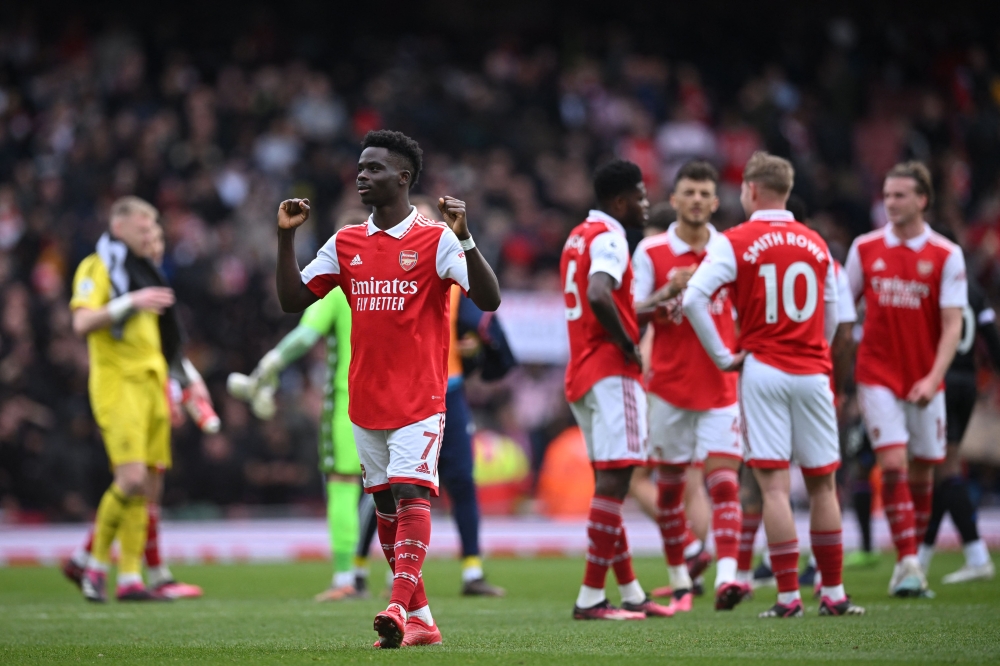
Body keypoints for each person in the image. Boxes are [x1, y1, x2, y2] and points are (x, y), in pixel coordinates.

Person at [274, 130, 501, 648]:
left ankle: (397, 605)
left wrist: (465, 236)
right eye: (359, 167)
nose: (361, 175)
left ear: (402, 178)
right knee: (384, 509)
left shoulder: (436, 239)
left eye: (373, 169)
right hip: (366, 400)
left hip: (421, 397)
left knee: (409, 492)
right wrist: (287, 237)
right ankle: (421, 621)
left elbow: (488, 299)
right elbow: (292, 301)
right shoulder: (345, 242)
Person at [684, 151, 863, 618]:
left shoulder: (735, 241)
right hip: (812, 371)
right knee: (824, 486)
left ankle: (787, 598)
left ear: (752, 190)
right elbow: (831, 315)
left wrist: (725, 356)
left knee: (775, 488)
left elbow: (694, 299)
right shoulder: (816, 242)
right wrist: (815, 349)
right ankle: (836, 593)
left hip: (762, 368)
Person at [352, 197, 512, 598]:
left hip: (446, 390)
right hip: (395, 392)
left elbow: (482, 314)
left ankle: (470, 570)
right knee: (385, 489)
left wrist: (476, 351)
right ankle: (360, 569)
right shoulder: (378, 266)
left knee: (459, 480)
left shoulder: (446, 259)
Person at [228, 209, 369, 602]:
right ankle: (405, 578)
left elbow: (306, 336)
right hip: (401, 399)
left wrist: (268, 365)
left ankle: (346, 576)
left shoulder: (341, 282)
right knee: (395, 489)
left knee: (343, 485)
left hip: (348, 401)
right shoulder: (397, 279)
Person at [63, 223, 210, 599]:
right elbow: (83, 322)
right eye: (149, 237)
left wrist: (186, 382)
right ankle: (100, 563)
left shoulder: (147, 282)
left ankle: (130, 573)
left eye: (160, 237)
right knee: (135, 482)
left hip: (153, 388)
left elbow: (163, 350)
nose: (156, 244)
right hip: (124, 389)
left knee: (148, 486)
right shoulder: (113, 274)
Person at [845, 161, 967, 597]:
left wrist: (933, 377)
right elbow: (843, 309)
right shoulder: (864, 248)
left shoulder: (946, 254)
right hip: (877, 373)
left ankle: (907, 561)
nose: (890, 202)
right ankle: (910, 562)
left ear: (923, 200)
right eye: (887, 194)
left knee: (922, 473)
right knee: (892, 464)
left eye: (899, 195)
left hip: (925, 378)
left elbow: (952, 324)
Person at [631, 160, 748, 612]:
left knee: (724, 484)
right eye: (689, 193)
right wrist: (664, 294)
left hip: (721, 385)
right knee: (670, 487)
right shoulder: (653, 253)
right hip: (669, 387)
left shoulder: (731, 251)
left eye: (705, 193)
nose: (697, 200)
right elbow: (631, 311)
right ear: (675, 200)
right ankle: (681, 581)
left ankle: (727, 579)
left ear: (715, 203)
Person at [560, 159, 673, 621]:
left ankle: (629, 591)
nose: (647, 206)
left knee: (612, 479)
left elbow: (605, 300)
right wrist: (629, 346)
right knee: (617, 479)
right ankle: (590, 598)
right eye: (642, 197)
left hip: (582, 372)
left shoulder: (578, 235)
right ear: (621, 201)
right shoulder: (611, 239)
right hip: (610, 370)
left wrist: (646, 309)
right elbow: (599, 294)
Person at [917, 232, 998, 584]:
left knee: (944, 468)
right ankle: (921, 555)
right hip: (968, 383)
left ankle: (976, 553)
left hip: (941, 381)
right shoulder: (974, 292)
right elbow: (992, 338)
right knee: (942, 468)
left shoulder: (934, 284)